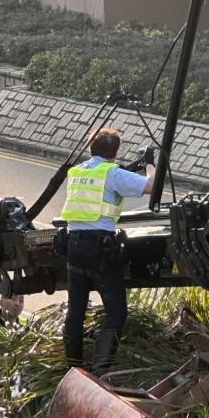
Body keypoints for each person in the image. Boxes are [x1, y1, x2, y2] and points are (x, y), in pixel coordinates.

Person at [61, 126, 154, 371]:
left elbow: (104, 181)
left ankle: (73, 369)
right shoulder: (112, 173)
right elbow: (150, 186)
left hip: (74, 247)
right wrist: (150, 165)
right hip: (99, 249)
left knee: (75, 312)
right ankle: (99, 370)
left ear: (92, 148)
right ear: (115, 151)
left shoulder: (77, 171)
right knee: (115, 313)